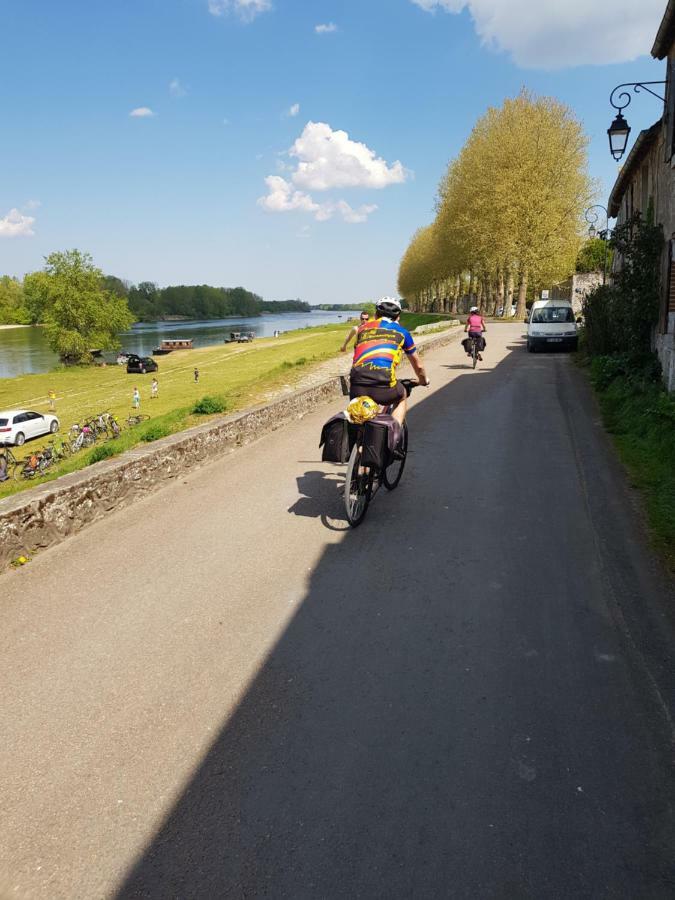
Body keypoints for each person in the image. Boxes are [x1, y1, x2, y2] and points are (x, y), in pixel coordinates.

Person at [349, 297, 429, 426]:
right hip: (384, 385)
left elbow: (356, 358)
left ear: (375, 315)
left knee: (359, 416)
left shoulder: (361, 330)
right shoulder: (403, 333)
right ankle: (394, 433)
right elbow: (418, 366)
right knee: (402, 396)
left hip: (356, 385)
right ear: (398, 317)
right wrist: (423, 381)